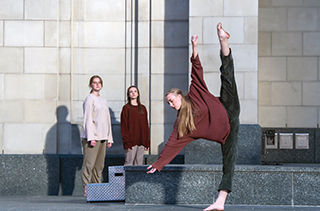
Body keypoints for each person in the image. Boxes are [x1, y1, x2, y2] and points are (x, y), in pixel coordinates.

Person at [147, 22, 240, 211]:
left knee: (227, 76)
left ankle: (224, 41)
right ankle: (220, 202)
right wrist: (159, 163)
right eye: (168, 103)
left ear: (179, 96)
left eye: (172, 100)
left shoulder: (194, 93)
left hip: (227, 106)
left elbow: (196, 72)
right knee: (228, 162)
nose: (171, 105)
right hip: (227, 131)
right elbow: (173, 143)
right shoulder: (182, 123)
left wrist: (194, 48)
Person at [80, 75, 113, 196]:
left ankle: (96, 187)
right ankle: (86, 187)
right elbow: (88, 119)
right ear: (90, 85)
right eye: (94, 82)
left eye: (99, 82)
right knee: (89, 164)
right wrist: (91, 137)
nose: (97, 84)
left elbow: (107, 120)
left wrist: (109, 138)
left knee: (99, 165)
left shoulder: (103, 100)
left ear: (102, 85)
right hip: (92, 137)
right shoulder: (89, 99)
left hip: (103, 137)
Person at [121, 85, 150, 165]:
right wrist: (127, 142)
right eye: (131, 91)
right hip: (131, 142)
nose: (133, 93)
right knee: (129, 163)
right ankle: (127, 178)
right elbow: (124, 126)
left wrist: (147, 141)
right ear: (128, 94)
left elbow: (145, 125)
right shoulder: (126, 108)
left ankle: (137, 178)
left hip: (141, 141)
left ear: (138, 94)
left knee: (139, 164)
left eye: (135, 91)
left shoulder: (143, 108)